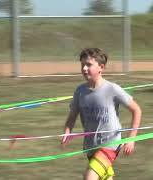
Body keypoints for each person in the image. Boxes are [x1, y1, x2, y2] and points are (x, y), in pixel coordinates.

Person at [61, 48, 142, 180]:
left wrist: (131, 139)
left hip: (110, 143)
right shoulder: (80, 91)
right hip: (91, 146)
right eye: (82, 65)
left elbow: (136, 110)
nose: (84, 68)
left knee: (90, 177)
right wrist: (67, 132)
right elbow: (72, 116)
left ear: (101, 67)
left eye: (89, 65)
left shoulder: (112, 89)